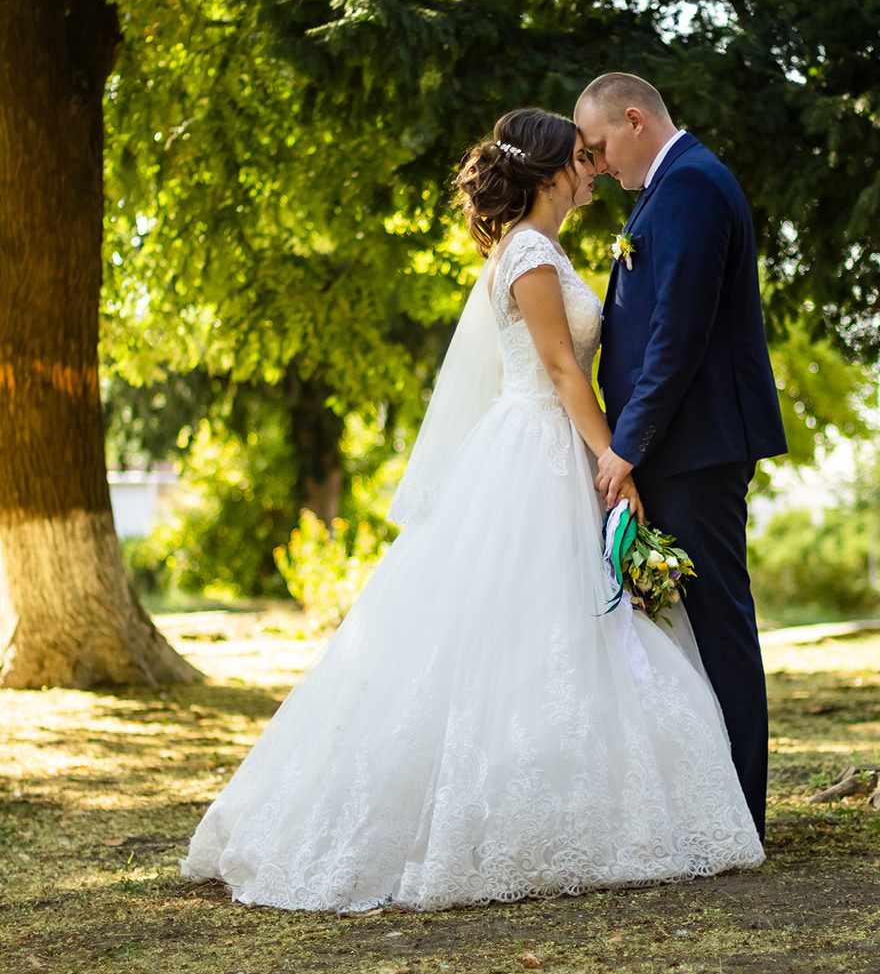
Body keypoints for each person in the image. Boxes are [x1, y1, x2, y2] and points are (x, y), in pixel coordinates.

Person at [181, 108, 763, 912]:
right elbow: (564, 373)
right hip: (539, 446)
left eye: (596, 156)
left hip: (552, 445)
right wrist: (613, 466)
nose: (594, 168)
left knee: (561, 636)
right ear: (552, 169)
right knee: (519, 632)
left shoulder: (545, 247)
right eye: (583, 159)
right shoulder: (527, 249)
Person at [575, 74, 787, 839]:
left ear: (635, 121)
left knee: (719, 622)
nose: (597, 165)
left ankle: (742, 818)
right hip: (680, 442)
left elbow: (680, 329)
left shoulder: (694, 184)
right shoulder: (668, 188)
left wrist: (627, 445)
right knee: (686, 629)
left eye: (599, 147)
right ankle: (710, 809)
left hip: (694, 446)